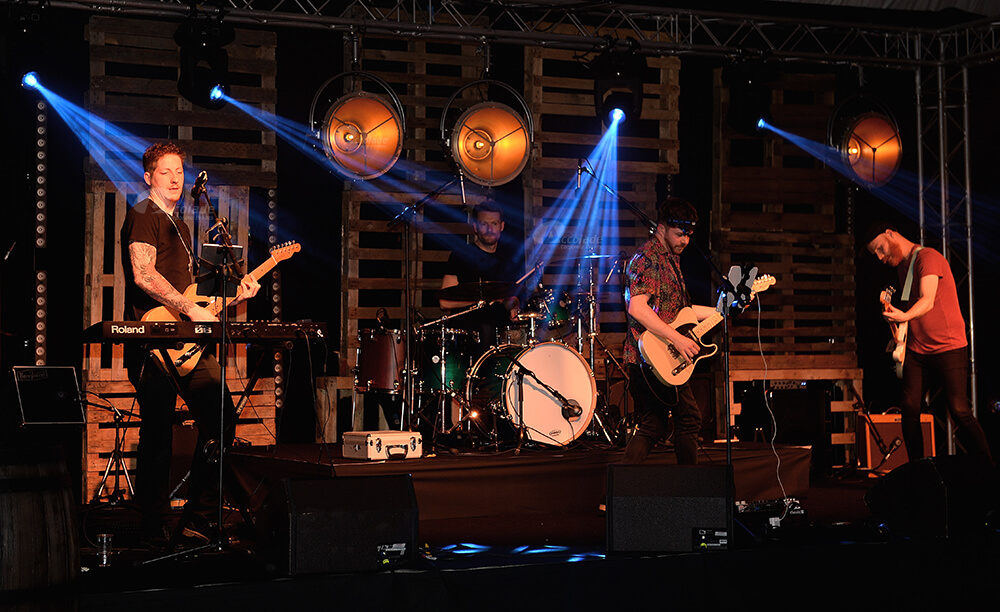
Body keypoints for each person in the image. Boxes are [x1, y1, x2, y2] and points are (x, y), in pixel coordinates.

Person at [121, 142, 260, 546]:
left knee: (222, 420)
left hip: (188, 343)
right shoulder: (142, 215)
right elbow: (143, 275)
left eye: (179, 170)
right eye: (165, 171)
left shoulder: (181, 227)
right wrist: (187, 307)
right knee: (158, 433)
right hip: (153, 341)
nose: (175, 178)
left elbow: (196, 297)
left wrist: (237, 294)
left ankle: (198, 518)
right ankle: (154, 524)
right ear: (148, 177)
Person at [865, 221, 992, 465]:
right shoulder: (903, 267)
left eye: (880, 248)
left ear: (891, 233)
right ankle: (920, 471)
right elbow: (910, 310)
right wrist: (897, 327)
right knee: (909, 409)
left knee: (958, 410)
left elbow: (928, 300)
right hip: (917, 349)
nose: (880, 257)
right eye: (876, 254)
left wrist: (903, 316)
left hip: (948, 346)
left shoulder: (928, 258)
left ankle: (988, 466)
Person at [622, 197, 716, 465]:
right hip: (649, 359)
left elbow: (682, 311)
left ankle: (618, 493)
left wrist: (723, 309)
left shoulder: (671, 259)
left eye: (688, 235)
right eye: (679, 234)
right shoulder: (648, 259)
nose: (685, 241)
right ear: (660, 229)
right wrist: (677, 339)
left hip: (661, 357)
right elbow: (637, 309)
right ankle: (690, 492)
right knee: (687, 419)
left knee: (655, 425)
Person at [439, 199, 521, 356]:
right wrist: (483, 300)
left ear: (502, 226)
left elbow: (510, 298)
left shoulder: (508, 259)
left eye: (494, 224)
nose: (489, 229)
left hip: (501, 336)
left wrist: (514, 307)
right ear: (475, 227)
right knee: (485, 329)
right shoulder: (460, 256)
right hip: (469, 336)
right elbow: (444, 302)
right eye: (484, 224)